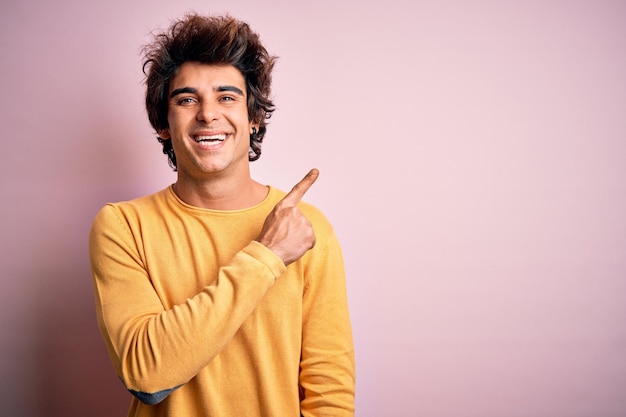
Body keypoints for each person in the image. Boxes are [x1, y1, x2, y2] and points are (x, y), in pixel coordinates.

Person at [88, 12, 355, 417]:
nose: (208, 114)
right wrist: (267, 256)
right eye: (187, 99)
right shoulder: (123, 226)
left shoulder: (307, 228)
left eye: (226, 97)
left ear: (253, 117)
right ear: (163, 123)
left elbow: (328, 389)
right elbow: (147, 375)